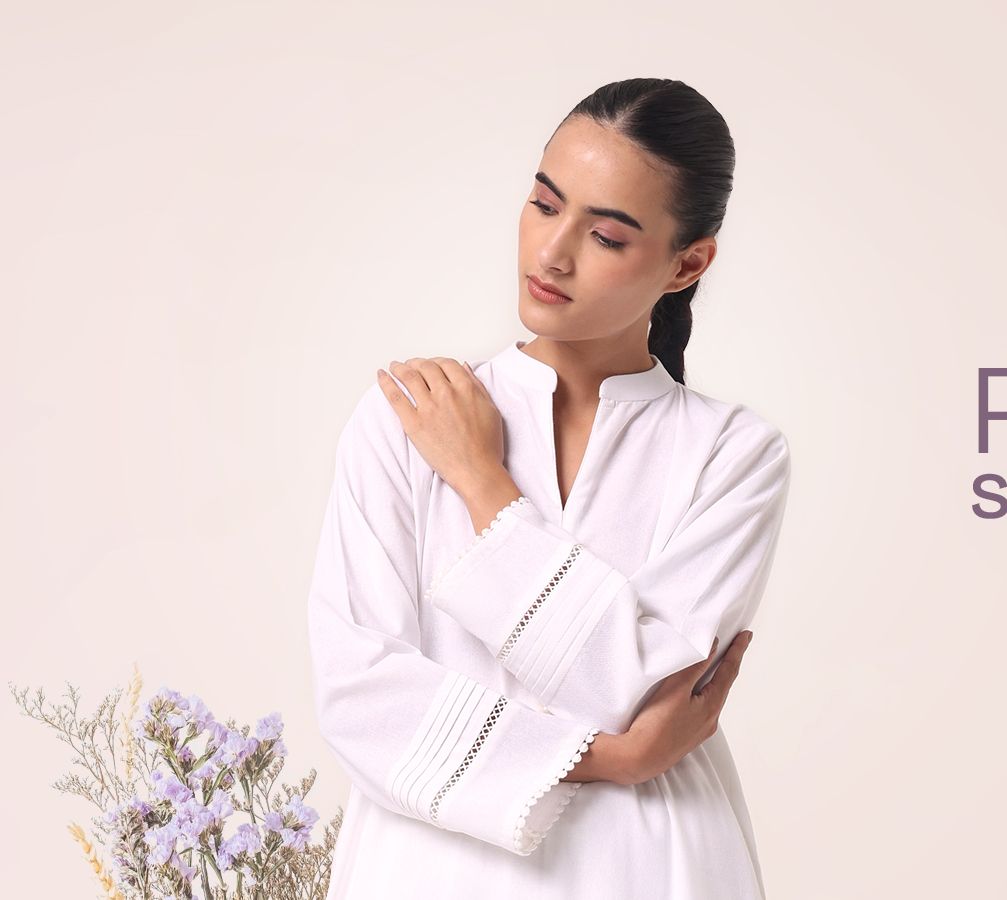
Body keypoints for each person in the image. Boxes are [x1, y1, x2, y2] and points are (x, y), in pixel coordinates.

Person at [306, 78, 789, 899]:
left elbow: (638, 687)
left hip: (651, 866)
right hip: (429, 871)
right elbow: (360, 696)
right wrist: (616, 759)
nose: (551, 253)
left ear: (688, 263)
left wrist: (482, 481)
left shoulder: (733, 454)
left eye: (605, 235)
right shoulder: (408, 415)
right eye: (543, 203)